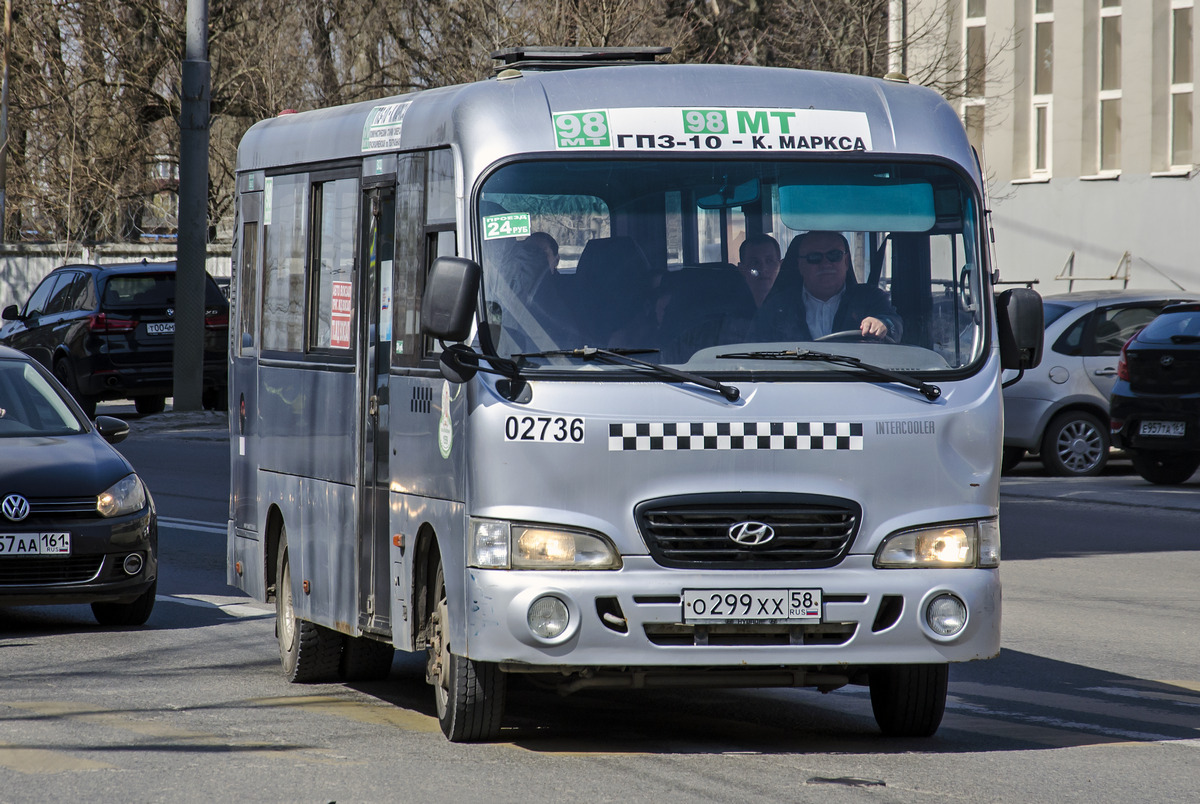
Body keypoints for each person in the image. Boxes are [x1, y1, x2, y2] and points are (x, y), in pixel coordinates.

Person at [751, 230, 901, 342]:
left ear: (846, 261)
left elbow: (894, 323)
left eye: (834, 255)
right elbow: (753, 352)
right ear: (801, 265)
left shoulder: (870, 298)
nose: (826, 264)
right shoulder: (777, 308)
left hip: (859, 380)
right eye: (814, 258)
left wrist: (883, 324)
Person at [736, 233, 783, 307]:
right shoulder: (730, 311)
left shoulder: (794, 309)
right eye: (755, 262)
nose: (763, 268)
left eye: (769, 261)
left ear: (780, 265)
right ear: (742, 269)